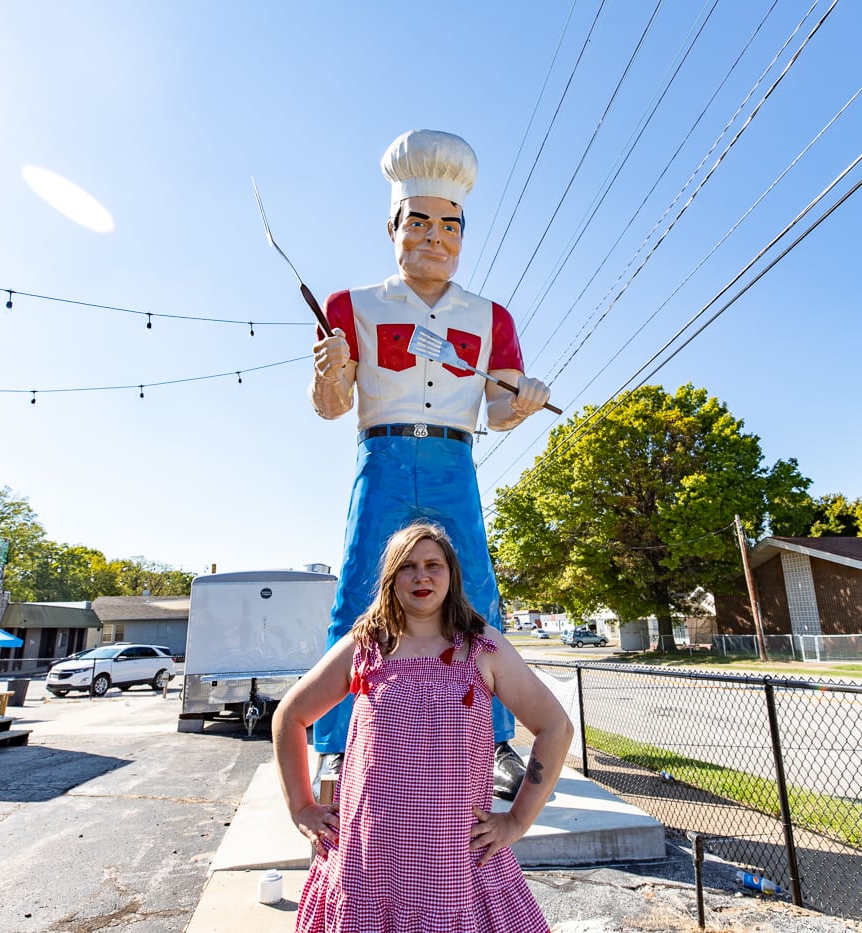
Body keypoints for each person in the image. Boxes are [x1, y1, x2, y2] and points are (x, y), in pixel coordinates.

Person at [310, 128, 553, 799]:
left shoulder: (491, 317)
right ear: (392, 225)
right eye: (419, 222)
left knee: (477, 596)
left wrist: (523, 401)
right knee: (359, 589)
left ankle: (496, 738)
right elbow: (331, 405)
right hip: (382, 453)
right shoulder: (348, 307)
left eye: (451, 226)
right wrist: (329, 373)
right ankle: (335, 743)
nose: (435, 238)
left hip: (454, 457)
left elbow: (499, 410)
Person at [272, 521, 572, 933]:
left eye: (434, 564)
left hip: (455, 864)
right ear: (391, 577)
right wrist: (302, 807)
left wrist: (517, 820)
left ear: (451, 573)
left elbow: (555, 727)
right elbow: (289, 717)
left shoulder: (483, 648)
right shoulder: (365, 647)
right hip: (367, 860)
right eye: (407, 566)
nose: (422, 576)